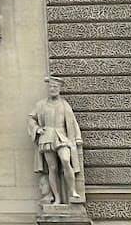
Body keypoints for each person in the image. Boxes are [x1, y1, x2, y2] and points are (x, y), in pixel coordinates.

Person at [27, 76, 84, 206]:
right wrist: (37, 129)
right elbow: (31, 118)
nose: (52, 89)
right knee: (52, 168)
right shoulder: (41, 104)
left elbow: (72, 122)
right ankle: (57, 198)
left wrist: (77, 137)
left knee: (65, 160)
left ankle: (72, 191)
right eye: (51, 87)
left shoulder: (64, 105)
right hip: (47, 136)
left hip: (62, 136)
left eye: (55, 87)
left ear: (59, 89)